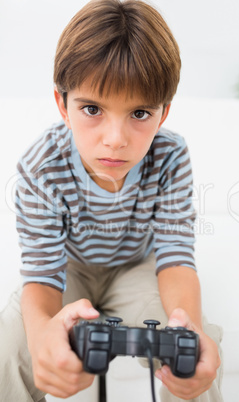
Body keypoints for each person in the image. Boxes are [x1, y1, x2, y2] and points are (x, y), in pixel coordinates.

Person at [0, 0, 223, 401]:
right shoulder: (40, 167)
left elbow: (174, 255)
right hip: (69, 271)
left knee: (189, 344)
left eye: (139, 113)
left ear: (163, 112)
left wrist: (188, 325)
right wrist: (40, 339)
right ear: (62, 105)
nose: (116, 139)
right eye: (92, 109)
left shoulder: (170, 155)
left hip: (137, 267)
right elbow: (43, 273)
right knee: (14, 340)